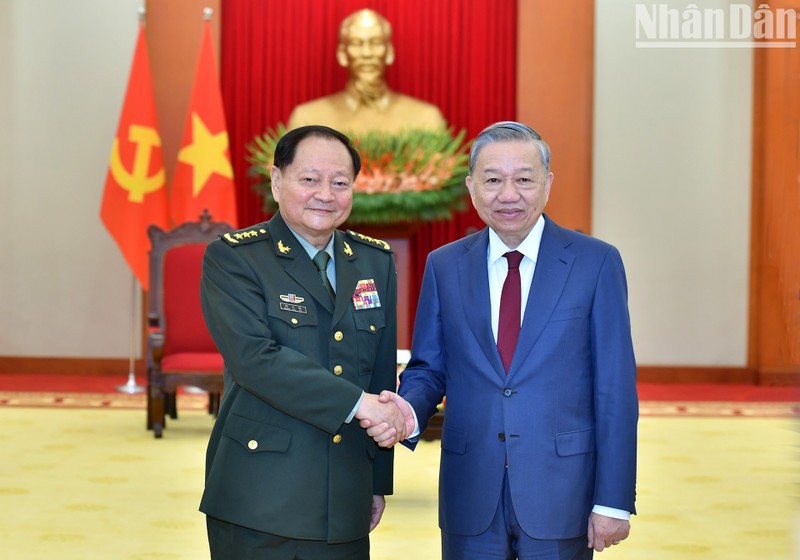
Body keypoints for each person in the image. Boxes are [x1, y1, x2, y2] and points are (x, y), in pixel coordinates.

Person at [369, 121, 639, 559]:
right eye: (493, 180)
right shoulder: (445, 266)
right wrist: (407, 412)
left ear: (547, 184)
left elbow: (615, 390)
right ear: (471, 187)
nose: (508, 194)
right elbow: (429, 368)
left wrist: (612, 500)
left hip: (563, 491)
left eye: (524, 179)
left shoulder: (596, 263)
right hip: (470, 491)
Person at [199, 125, 407, 559]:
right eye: (309, 179)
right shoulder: (235, 258)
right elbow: (255, 359)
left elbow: (381, 373)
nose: (325, 195)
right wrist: (358, 404)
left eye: (340, 183)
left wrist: (376, 482)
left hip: (344, 498)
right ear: (277, 181)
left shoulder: (375, 261)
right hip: (259, 497)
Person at [286, 9, 447, 135]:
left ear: (389, 52)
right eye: (356, 44)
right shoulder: (307, 119)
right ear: (342, 54)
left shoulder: (426, 119)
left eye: (376, 43)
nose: (367, 53)